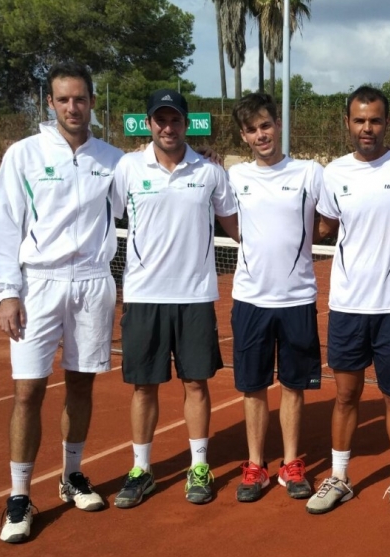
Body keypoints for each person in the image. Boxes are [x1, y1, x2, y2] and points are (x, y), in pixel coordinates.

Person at [0, 61, 123, 543]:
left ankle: (71, 476)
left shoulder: (113, 159)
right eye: (63, 99)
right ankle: (20, 496)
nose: (72, 107)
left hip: (92, 283)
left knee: (81, 386)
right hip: (37, 286)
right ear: (50, 103)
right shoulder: (23, 155)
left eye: (80, 98)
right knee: (27, 391)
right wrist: (9, 292)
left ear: (91, 101)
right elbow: (4, 226)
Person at [306, 86, 390, 520]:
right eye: (359, 120)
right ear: (347, 123)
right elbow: (325, 225)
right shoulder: (333, 173)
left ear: (387, 123)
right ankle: (340, 477)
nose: (367, 128)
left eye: (375, 120)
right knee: (345, 396)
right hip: (346, 306)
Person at [109, 89, 238, 509]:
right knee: (144, 387)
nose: (168, 127)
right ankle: (141, 469)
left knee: (196, 383)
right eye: (160, 120)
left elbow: (236, 224)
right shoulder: (127, 167)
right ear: (149, 124)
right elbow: (101, 218)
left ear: (186, 123)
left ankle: (199, 465)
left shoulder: (210, 171)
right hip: (144, 295)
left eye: (175, 120)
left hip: (196, 296)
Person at [227, 92, 323, 502]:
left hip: (297, 298)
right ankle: (254, 465)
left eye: (266, 125)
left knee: (294, 385)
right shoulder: (234, 177)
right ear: (244, 136)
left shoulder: (310, 172)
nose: (261, 134)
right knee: (253, 386)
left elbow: (326, 222)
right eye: (251, 129)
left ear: (278, 124)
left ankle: (290, 464)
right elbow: (232, 225)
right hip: (250, 299)